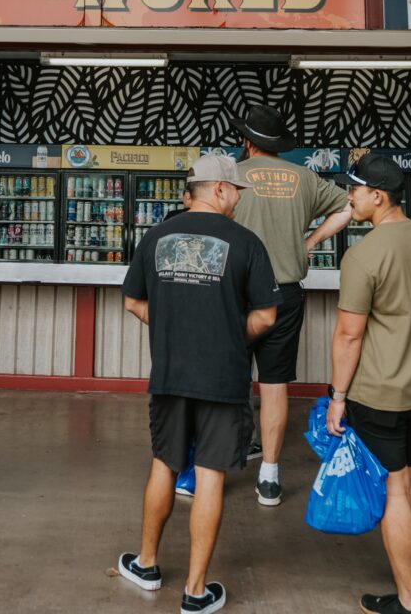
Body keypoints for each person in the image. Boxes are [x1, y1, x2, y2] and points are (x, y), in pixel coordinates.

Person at [119, 153, 281, 614]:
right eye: (236, 193)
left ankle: (147, 564)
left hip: (169, 375)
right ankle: (194, 592)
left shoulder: (156, 236)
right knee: (210, 472)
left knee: (164, 463)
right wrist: (231, 332)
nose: (238, 201)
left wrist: (168, 324)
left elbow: (133, 302)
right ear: (222, 190)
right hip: (223, 376)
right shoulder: (248, 243)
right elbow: (267, 314)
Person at [326, 154, 411, 614]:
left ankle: (407, 600)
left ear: (377, 196)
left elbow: (349, 335)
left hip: (379, 394)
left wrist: (337, 398)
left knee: (395, 490)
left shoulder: (364, 253)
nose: (350, 198)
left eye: (355, 191)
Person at [231, 104, 351, 506]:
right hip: (285, 292)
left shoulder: (231, 175)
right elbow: (349, 206)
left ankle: (218, 459)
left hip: (235, 292)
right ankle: (269, 476)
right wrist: (311, 242)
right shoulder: (305, 177)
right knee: (275, 381)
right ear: (278, 145)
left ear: (248, 142)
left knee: (228, 374)